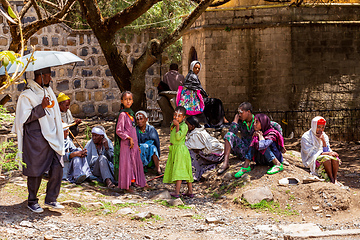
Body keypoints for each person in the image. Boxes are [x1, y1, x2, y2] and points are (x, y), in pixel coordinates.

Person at [12, 67, 65, 213]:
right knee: (35, 169)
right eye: (48, 76)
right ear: (40, 76)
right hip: (35, 137)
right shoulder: (26, 95)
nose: (51, 79)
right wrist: (41, 107)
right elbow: (24, 119)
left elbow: (53, 111)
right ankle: (32, 201)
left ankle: (51, 198)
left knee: (58, 165)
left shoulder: (48, 92)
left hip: (52, 134)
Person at [177, 60, 228, 127]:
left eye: (199, 68)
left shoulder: (189, 76)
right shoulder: (193, 76)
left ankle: (215, 121)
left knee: (212, 102)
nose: (197, 70)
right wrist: (206, 96)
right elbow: (199, 89)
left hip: (193, 99)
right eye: (195, 68)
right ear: (192, 67)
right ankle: (220, 121)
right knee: (217, 102)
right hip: (194, 100)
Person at [234, 113, 285, 178]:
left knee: (262, 144)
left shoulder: (272, 133)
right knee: (254, 141)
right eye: (254, 122)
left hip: (272, 160)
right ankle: (246, 166)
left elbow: (263, 146)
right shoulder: (258, 132)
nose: (254, 124)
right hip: (262, 161)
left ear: (263, 123)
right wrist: (256, 137)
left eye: (257, 122)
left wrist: (260, 136)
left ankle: (278, 164)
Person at [115, 91, 146, 192]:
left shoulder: (131, 114)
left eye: (130, 99)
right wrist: (128, 138)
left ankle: (135, 182)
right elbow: (119, 130)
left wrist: (136, 144)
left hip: (133, 144)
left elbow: (133, 130)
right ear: (122, 101)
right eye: (125, 99)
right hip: (126, 144)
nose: (128, 101)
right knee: (127, 163)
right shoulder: (123, 115)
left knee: (133, 163)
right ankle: (126, 186)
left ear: (132, 101)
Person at [163, 106, 194, 198]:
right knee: (184, 169)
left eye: (179, 116)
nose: (176, 118)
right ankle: (190, 191)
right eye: (175, 115)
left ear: (184, 117)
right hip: (175, 149)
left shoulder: (184, 126)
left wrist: (177, 126)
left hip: (180, 151)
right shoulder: (172, 125)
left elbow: (178, 137)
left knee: (179, 170)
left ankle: (177, 192)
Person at [301, 116, 341, 184]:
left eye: (322, 127)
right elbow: (310, 153)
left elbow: (327, 150)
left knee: (335, 158)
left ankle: (335, 178)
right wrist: (327, 154)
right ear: (314, 126)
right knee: (326, 159)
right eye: (318, 127)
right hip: (311, 158)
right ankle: (331, 178)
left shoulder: (324, 136)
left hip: (322, 155)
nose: (321, 129)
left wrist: (323, 141)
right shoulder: (306, 137)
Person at [217, 102, 255, 174]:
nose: (239, 115)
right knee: (228, 135)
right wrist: (235, 121)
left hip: (253, 152)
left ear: (248, 112)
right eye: (239, 113)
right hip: (243, 150)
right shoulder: (241, 122)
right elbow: (231, 133)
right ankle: (225, 163)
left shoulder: (257, 120)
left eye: (241, 113)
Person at [185, 116, 224, 181]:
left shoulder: (196, 135)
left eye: (187, 124)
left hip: (215, 156)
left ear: (192, 126)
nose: (185, 126)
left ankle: (194, 175)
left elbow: (185, 146)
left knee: (190, 152)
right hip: (218, 154)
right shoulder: (199, 131)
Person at [135, 110, 162, 175]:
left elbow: (156, 142)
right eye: (138, 119)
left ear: (146, 119)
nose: (139, 121)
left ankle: (158, 169)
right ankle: (141, 169)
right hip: (140, 151)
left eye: (141, 119)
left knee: (153, 148)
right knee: (142, 147)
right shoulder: (135, 130)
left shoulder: (151, 129)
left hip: (150, 150)